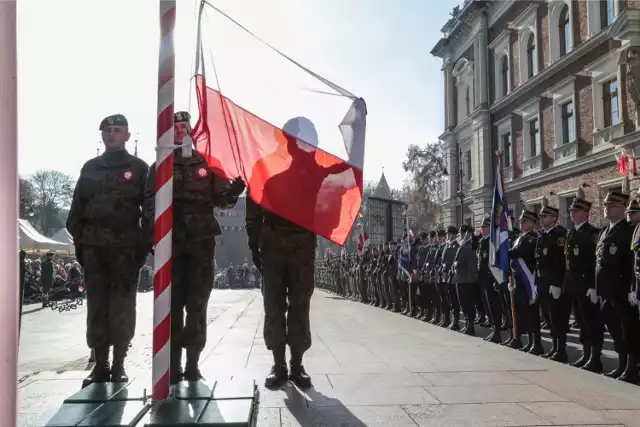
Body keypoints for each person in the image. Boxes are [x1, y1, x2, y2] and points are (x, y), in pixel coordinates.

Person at [143, 111, 244, 383]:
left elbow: (221, 201)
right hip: (171, 246)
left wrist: (233, 192)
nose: (179, 131)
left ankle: (192, 364)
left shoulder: (207, 164)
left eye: (183, 127)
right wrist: (151, 239)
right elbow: (150, 204)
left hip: (200, 244)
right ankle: (173, 366)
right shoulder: (160, 165)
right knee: (171, 306)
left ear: (191, 131)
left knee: (197, 305)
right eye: (175, 127)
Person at [66, 113, 149, 387]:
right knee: (97, 307)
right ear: (101, 135)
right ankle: (100, 365)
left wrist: (143, 246)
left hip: (126, 249)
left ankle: (119, 365)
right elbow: (76, 210)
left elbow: (149, 211)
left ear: (127, 135)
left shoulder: (139, 168)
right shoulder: (90, 167)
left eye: (117, 130)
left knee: (123, 307)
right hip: (95, 249)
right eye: (107, 130)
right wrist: (82, 243)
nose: (111, 134)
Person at [595, 190, 638, 381]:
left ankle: (631, 368)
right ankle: (621, 364)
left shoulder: (629, 231)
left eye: (610, 205)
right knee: (613, 328)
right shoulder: (604, 231)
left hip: (622, 289)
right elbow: (597, 261)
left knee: (627, 329)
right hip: (605, 289)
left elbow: (633, 263)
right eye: (605, 205)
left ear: (621, 208)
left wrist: (632, 289)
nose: (605, 208)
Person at [562, 198, 601, 370]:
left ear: (585, 213)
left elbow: (595, 261)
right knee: (580, 321)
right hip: (574, 284)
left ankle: (595, 358)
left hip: (587, 285)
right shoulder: (571, 233)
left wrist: (593, 285)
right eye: (571, 211)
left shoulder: (592, 233)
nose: (572, 213)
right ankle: (586, 355)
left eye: (576, 211)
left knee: (591, 322)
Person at [535, 206, 567, 361]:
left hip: (554, 282)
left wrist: (556, 283)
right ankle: (554, 347)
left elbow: (560, 262)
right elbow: (538, 261)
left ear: (554, 218)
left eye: (545, 216)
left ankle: (561, 349)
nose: (542, 219)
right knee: (548, 315)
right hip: (543, 281)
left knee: (557, 317)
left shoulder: (559, 235)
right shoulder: (541, 235)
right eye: (541, 216)